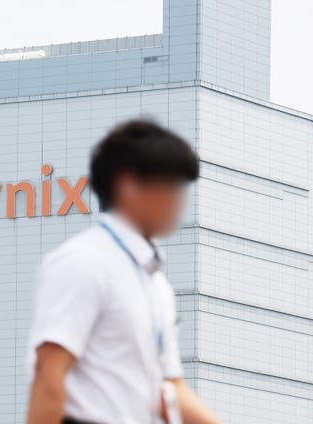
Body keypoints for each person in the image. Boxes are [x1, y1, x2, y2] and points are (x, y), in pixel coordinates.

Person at [26, 119, 224, 424]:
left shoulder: (156, 284)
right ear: (128, 185)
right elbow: (49, 372)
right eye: (170, 187)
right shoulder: (83, 262)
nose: (179, 202)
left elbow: (172, 389)